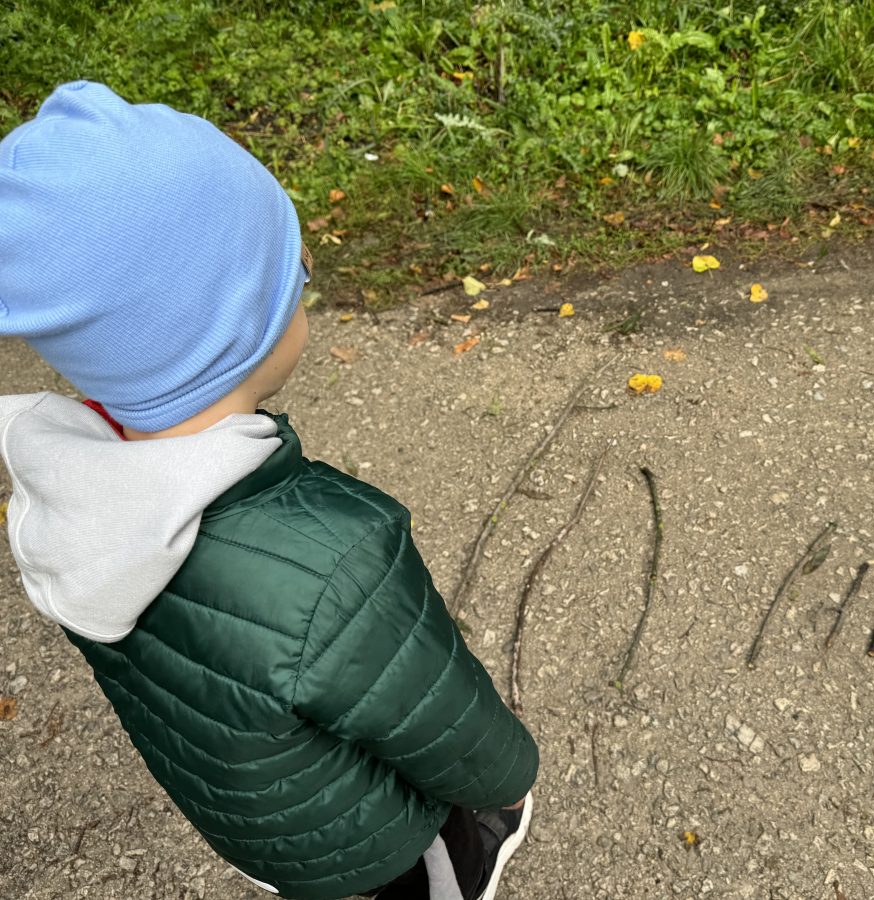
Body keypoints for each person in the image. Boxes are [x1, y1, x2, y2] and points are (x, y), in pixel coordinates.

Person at [0, 81, 537, 900]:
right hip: (369, 842)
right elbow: (444, 721)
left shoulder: (57, 503)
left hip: (251, 825)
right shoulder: (332, 558)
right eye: (293, 276)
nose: (307, 274)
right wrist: (511, 778)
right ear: (240, 329)